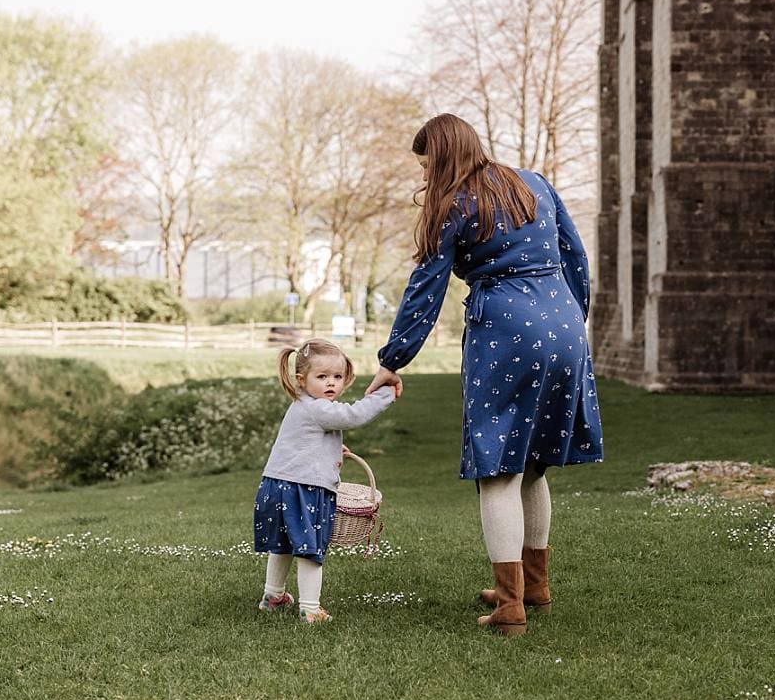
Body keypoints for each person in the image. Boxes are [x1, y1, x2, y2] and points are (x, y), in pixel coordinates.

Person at [365, 113, 603, 637]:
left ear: (444, 157)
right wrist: (572, 319)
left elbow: (424, 291)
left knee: (498, 469)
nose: (426, 176)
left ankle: (511, 606)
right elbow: (575, 257)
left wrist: (393, 360)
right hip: (563, 324)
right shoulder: (534, 183)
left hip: (505, 330)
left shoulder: (452, 206)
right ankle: (533, 586)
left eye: (429, 164)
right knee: (536, 464)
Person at [254, 338, 397, 624]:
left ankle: (273, 596)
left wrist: (331, 447)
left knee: (282, 544)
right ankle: (310, 608)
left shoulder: (303, 403)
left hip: (278, 485)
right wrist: (384, 395)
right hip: (302, 489)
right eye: (322, 377)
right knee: (310, 548)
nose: (331, 383)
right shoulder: (318, 408)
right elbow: (352, 415)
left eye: (337, 377)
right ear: (301, 379)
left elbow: (302, 441)